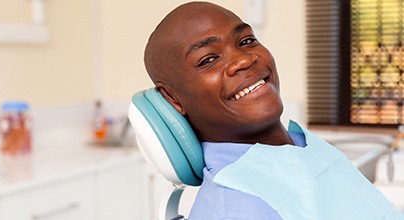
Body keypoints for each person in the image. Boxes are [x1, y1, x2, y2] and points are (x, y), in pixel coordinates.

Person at [143, 1, 403, 219]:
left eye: (246, 40)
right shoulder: (235, 207)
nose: (244, 59)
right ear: (172, 98)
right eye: (208, 59)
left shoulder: (303, 146)